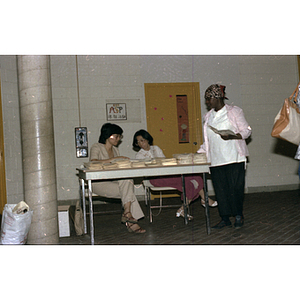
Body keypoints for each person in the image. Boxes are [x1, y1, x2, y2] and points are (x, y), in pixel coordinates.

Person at [197, 84, 252, 229]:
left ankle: (238, 216)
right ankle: (225, 218)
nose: (207, 102)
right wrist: (198, 153)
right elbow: (209, 141)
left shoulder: (234, 112)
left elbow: (246, 131)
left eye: (209, 99)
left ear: (218, 97)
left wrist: (234, 136)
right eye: (206, 100)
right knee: (221, 191)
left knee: (235, 189)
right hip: (215, 160)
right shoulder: (208, 117)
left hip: (234, 158)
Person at [132, 129, 217, 220]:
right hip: (154, 179)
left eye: (142, 140)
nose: (141, 144)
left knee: (196, 178)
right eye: (138, 142)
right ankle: (204, 199)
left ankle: (183, 208)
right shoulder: (139, 155)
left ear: (147, 139)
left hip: (165, 174)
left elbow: (164, 162)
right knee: (189, 180)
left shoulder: (156, 148)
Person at [90, 123, 146, 233]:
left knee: (127, 180)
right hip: (98, 183)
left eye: (119, 136)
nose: (118, 139)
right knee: (129, 194)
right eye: (116, 136)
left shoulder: (115, 150)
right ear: (108, 135)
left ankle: (127, 214)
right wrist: (114, 159)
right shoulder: (97, 147)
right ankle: (129, 219)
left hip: (113, 181)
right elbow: (93, 162)